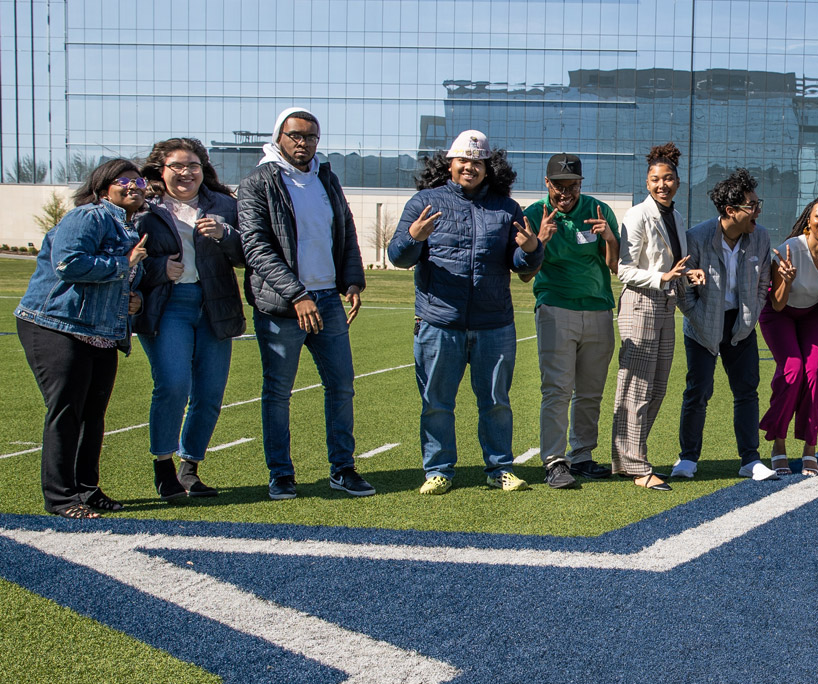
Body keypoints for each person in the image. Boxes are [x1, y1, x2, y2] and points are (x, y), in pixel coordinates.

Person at [389, 130, 544, 495]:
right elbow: (399, 257)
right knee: (437, 403)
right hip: (439, 322)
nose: (470, 167)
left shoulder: (506, 208)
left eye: (478, 162)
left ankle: (500, 468)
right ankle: (439, 470)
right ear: (450, 163)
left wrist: (533, 248)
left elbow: (520, 265)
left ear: (489, 167)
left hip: (494, 324)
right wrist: (414, 236)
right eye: (463, 160)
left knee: (496, 403)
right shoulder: (424, 202)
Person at [238, 107, 371, 500]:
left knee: (342, 386)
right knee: (278, 391)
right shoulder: (257, 183)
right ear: (279, 136)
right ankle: (281, 473)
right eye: (295, 135)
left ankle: (343, 469)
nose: (303, 143)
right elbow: (255, 247)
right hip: (282, 305)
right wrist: (296, 294)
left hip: (329, 299)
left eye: (311, 136)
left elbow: (344, 229)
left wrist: (352, 280)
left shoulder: (326, 179)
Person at [15, 159, 147, 518]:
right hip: (57, 325)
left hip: (100, 333)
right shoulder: (88, 216)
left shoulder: (129, 227)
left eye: (139, 182)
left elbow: (122, 284)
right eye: (124, 180)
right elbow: (68, 263)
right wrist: (124, 264)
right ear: (104, 186)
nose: (134, 186)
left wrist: (135, 298)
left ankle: (87, 490)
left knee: (93, 415)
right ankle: (60, 498)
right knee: (67, 412)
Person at [132, 138, 246, 501]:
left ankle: (189, 469)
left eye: (193, 166)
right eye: (177, 166)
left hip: (216, 305)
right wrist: (157, 267)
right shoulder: (144, 210)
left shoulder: (225, 205)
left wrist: (226, 235)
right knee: (173, 385)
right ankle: (164, 468)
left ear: (204, 169)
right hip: (168, 307)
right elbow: (125, 256)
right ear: (160, 171)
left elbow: (249, 253)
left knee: (210, 393)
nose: (186, 173)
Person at [521, 153, 620, 489]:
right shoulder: (533, 215)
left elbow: (613, 265)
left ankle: (582, 456)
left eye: (571, 185)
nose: (565, 193)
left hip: (598, 309)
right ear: (546, 183)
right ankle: (554, 461)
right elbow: (524, 275)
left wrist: (609, 238)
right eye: (558, 185)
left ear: (581, 183)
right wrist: (541, 242)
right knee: (557, 390)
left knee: (591, 392)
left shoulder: (598, 210)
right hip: (555, 308)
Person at [673, 168, 773, 481]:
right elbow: (682, 288)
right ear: (730, 211)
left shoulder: (761, 237)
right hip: (703, 324)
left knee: (747, 391)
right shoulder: (697, 238)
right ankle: (688, 459)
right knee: (698, 392)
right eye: (752, 205)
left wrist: (752, 312)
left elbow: (763, 283)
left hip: (741, 325)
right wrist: (696, 314)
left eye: (758, 203)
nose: (758, 211)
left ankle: (750, 460)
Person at [613, 143, 696, 491]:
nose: (661, 185)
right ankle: (635, 465)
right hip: (640, 303)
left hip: (665, 305)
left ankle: (628, 456)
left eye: (668, 179)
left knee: (658, 387)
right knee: (637, 387)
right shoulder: (636, 215)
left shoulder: (675, 217)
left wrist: (689, 275)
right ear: (647, 183)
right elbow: (624, 270)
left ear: (678, 181)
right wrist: (661, 278)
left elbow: (673, 264)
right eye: (654, 180)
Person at [760, 196, 818, 476]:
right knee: (792, 370)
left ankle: (810, 448)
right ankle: (778, 443)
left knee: (813, 373)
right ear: (808, 220)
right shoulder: (790, 248)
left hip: (812, 313)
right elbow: (778, 303)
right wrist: (785, 278)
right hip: (779, 313)